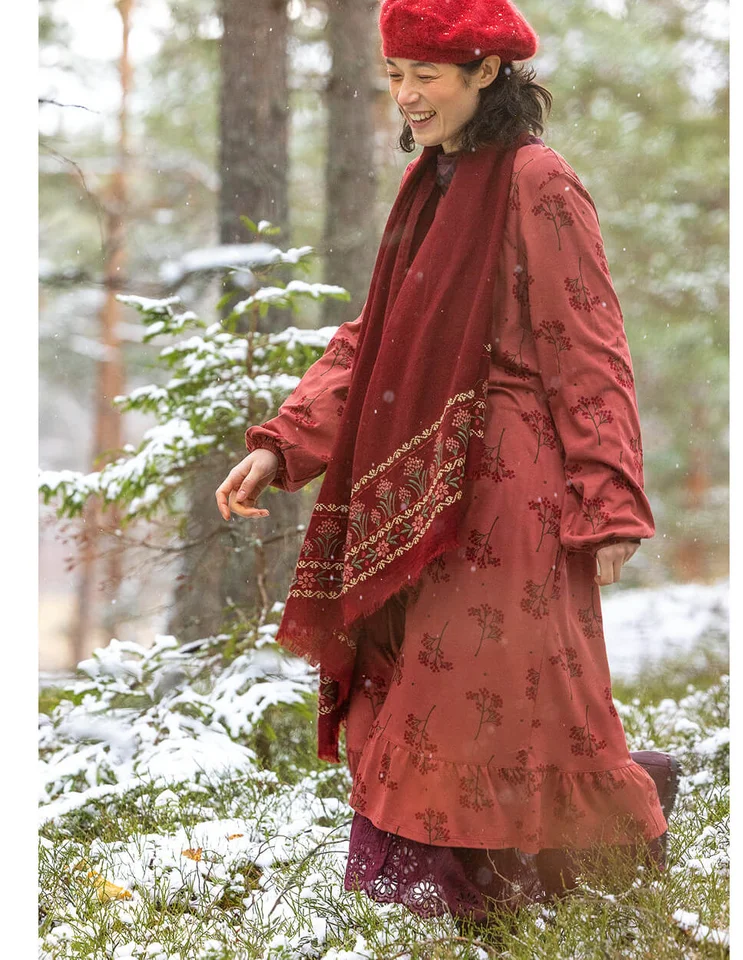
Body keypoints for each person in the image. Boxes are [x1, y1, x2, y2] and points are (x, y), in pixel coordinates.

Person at [215, 0, 680, 926]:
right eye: (395, 74)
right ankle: (473, 903)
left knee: (508, 687)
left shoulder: (539, 181)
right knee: (433, 690)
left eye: (426, 73)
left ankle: (553, 884)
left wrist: (609, 498)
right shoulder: (431, 183)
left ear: (485, 73)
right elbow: (378, 339)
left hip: (513, 486)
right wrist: (283, 442)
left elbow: (586, 342)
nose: (406, 94)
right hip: (426, 483)